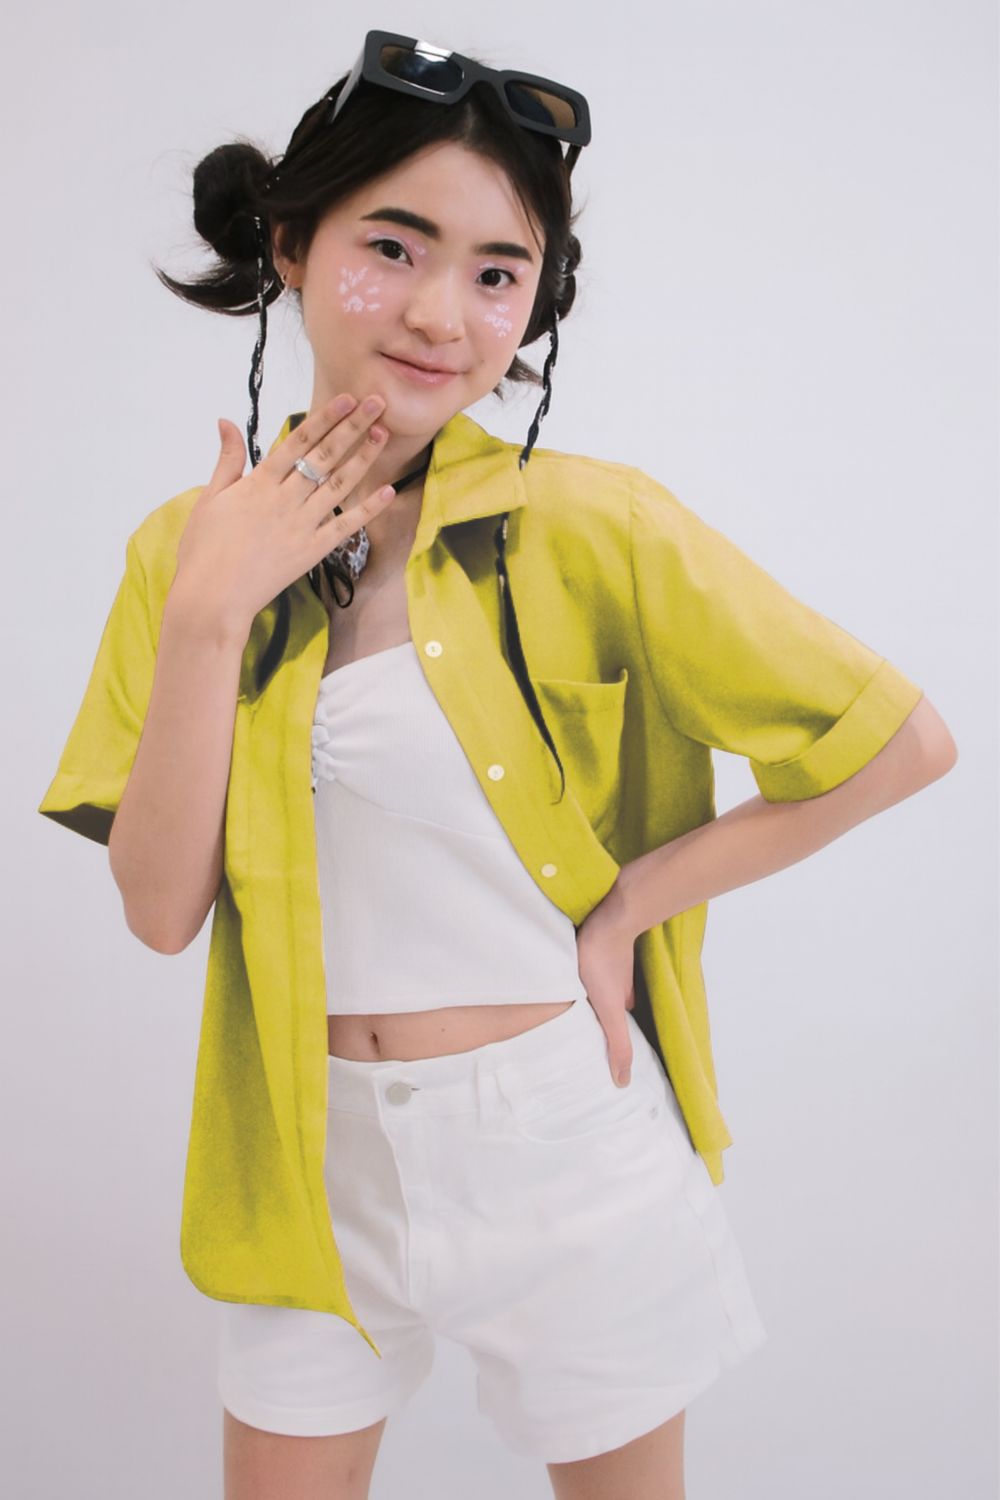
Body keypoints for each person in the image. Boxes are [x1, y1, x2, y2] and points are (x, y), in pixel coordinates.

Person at [37, 30, 959, 1500]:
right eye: (391, 247)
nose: (439, 314)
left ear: (537, 300)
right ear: (291, 244)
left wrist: (632, 904)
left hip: (559, 1143)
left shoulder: (594, 527)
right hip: (306, 1157)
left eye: (495, 272)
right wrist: (214, 610)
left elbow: (900, 743)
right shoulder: (181, 553)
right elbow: (160, 912)